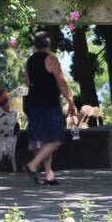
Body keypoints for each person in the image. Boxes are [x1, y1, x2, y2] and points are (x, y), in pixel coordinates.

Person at [23, 34, 76, 186]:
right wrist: (71, 102)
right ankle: (32, 165)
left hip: (34, 104)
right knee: (56, 138)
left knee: (42, 139)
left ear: (36, 45)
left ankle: (48, 174)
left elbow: (28, 82)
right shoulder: (51, 60)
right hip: (49, 104)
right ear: (49, 44)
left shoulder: (30, 61)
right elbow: (61, 82)